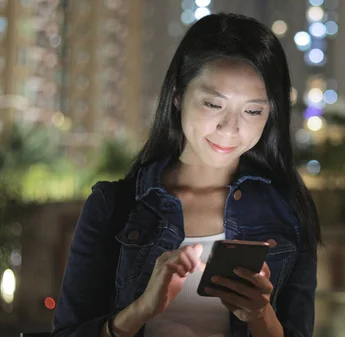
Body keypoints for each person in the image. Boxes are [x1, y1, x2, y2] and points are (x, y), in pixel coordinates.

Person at [52, 13, 321, 337]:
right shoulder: (115, 207)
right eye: (212, 104)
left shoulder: (288, 211)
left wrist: (261, 316)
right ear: (178, 95)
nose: (230, 128)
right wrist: (140, 310)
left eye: (252, 110)